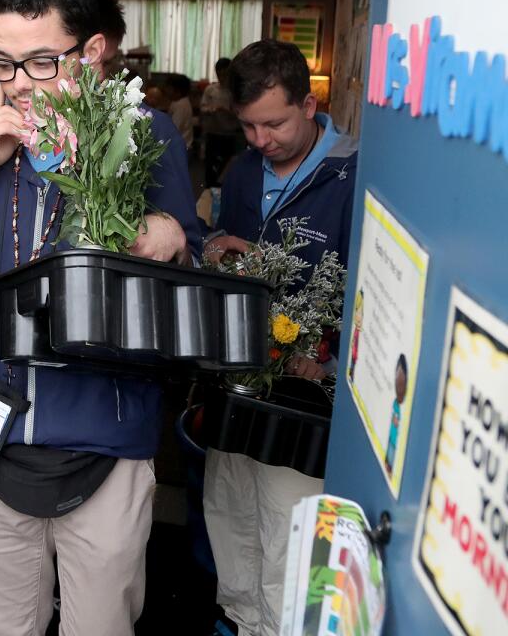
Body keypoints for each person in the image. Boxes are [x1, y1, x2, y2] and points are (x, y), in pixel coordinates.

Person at [0, 0, 200, 635]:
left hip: (106, 437)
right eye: (2, 64)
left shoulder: (148, 135)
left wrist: (175, 235)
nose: (17, 86)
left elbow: (193, 267)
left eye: (40, 62)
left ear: (91, 53)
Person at [201, 38, 358, 636]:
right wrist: (216, 247)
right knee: (230, 508)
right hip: (237, 373)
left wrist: (332, 363)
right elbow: (218, 238)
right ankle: (240, 619)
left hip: (305, 391)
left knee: (289, 526)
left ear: (310, 104)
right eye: (248, 126)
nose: (261, 140)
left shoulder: (352, 174)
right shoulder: (242, 171)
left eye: (274, 124)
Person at [200, 57, 243, 187]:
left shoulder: (235, 92)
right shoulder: (210, 89)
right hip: (213, 132)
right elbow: (202, 107)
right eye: (219, 74)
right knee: (210, 165)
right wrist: (212, 110)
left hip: (229, 134)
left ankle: (225, 189)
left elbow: (241, 113)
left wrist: (228, 112)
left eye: (225, 74)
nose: (222, 77)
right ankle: (208, 189)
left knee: (227, 167)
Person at [165, 74, 195, 151]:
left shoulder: (181, 105)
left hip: (182, 148)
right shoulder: (177, 102)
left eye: (169, 88)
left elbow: (174, 128)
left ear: (178, 91)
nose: (166, 90)